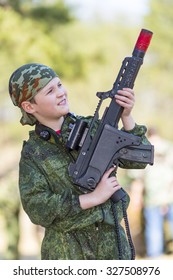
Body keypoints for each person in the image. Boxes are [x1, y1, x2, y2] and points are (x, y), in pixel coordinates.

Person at [8, 63, 150, 260]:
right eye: (50, 91)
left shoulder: (92, 128)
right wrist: (91, 198)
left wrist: (127, 117)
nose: (60, 93)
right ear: (29, 106)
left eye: (59, 85)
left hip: (113, 248)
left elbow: (139, 160)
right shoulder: (33, 152)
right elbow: (37, 207)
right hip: (66, 253)